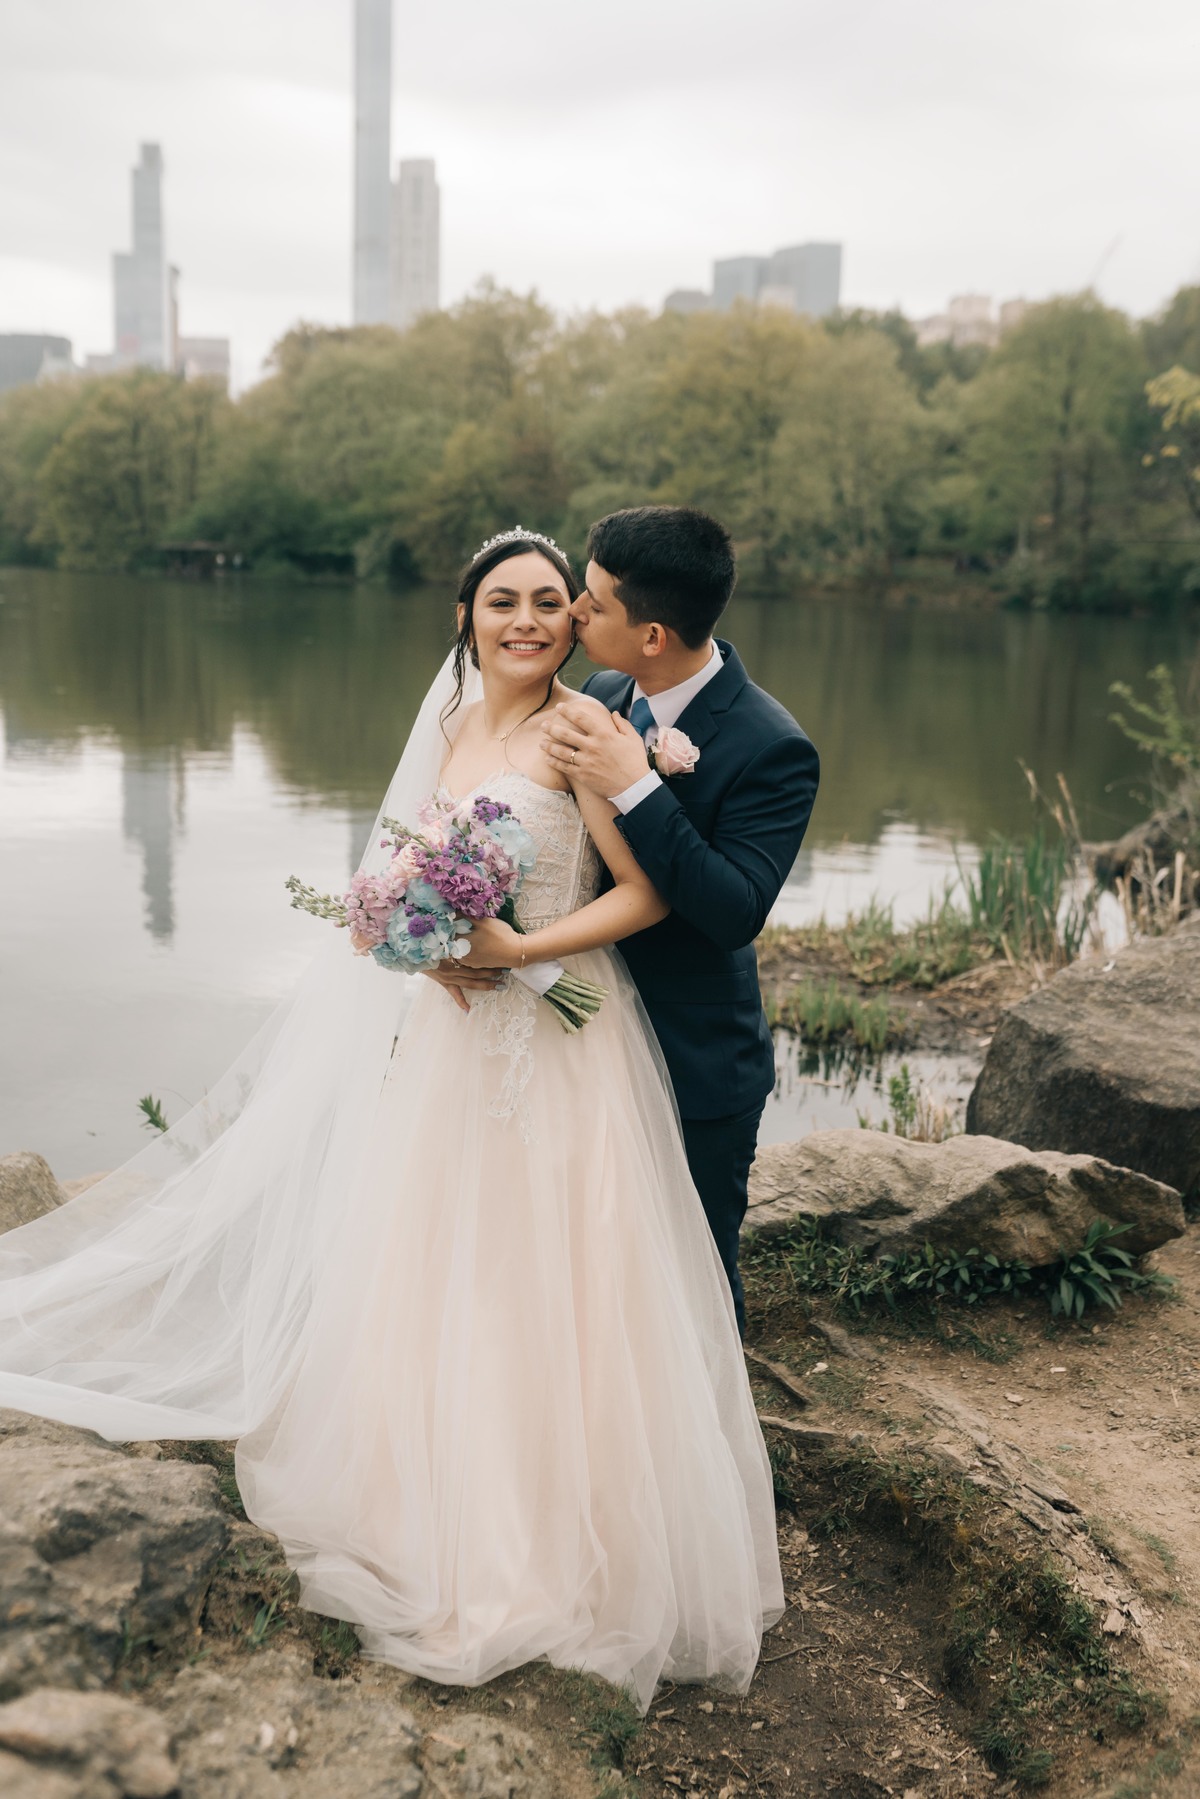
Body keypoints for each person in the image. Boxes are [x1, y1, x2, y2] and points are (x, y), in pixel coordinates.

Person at [0, 527, 782, 1714]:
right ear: (464, 617)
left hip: (564, 1041)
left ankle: (562, 1538)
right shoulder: (456, 727)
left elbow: (647, 890)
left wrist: (520, 950)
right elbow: (406, 870)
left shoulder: (586, 728)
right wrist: (415, 941)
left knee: (559, 1272)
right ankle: (416, 1492)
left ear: (584, 620)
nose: (528, 618)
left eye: (550, 602)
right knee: (439, 1258)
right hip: (454, 1040)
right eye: (501, 600)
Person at [539, 507, 820, 1335]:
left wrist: (640, 785)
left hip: (694, 1062)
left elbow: (734, 911)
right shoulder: (599, 690)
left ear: (652, 634)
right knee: (592, 1259)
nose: (573, 614)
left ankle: (718, 1458)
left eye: (590, 602)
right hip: (584, 1037)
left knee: (692, 1273)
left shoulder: (774, 747)